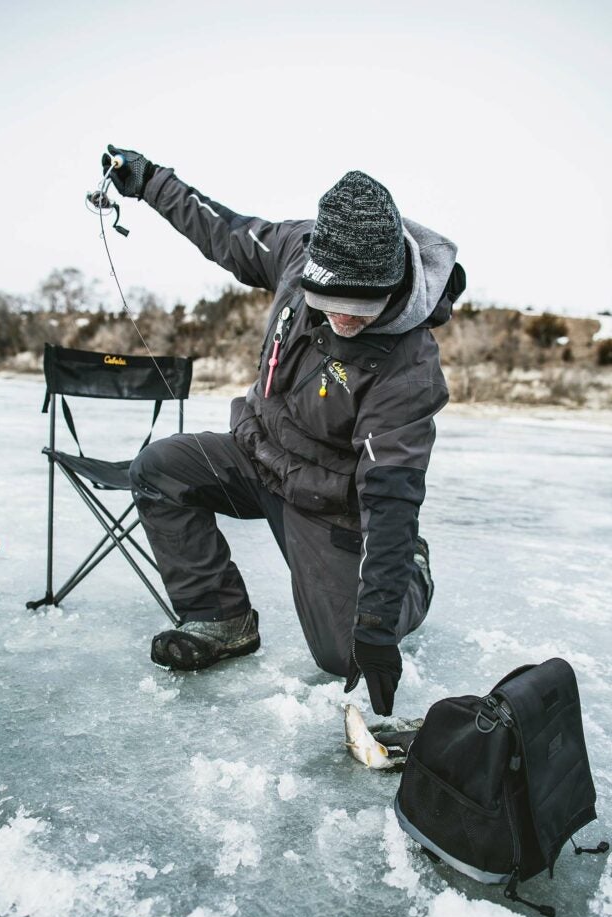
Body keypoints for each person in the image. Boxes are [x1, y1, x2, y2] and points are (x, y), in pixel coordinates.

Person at [102, 144, 465, 716]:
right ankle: (221, 617)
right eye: (328, 302)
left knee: (344, 653)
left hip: (328, 500)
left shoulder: (408, 365)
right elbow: (224, 232)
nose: (342, 318)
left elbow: (391, 495)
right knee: (158, 470)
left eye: (359, 308)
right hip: (254, 455)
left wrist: (376, 616)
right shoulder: (298, 248)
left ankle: (411, 574)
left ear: (389, 287)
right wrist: (150, 183)